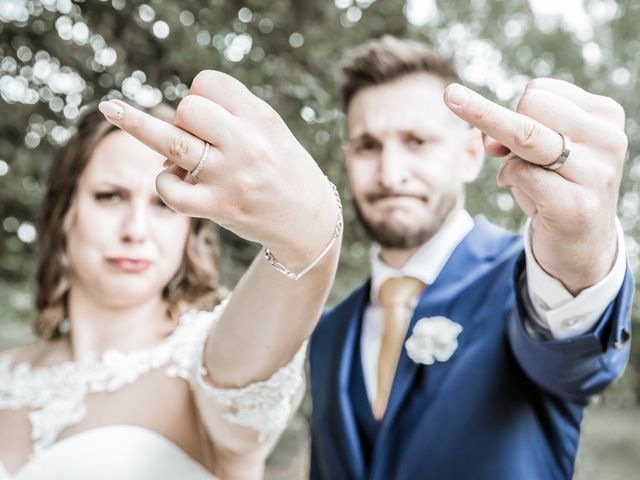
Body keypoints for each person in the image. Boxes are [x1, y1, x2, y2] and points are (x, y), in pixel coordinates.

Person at [309, 36, 633, 480]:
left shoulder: (528, 281)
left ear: (468, 155)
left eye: (417, 140)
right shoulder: (327, 331)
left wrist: (582, 249)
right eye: (368, 145)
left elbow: (576, 358)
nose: (390, 172)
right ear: (348, 160)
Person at [0, 70, 342, 480]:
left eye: (162, 205)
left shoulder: (206, 364)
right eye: (110, 196)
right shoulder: (6, 372)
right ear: (65, 213)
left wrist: (309, 227)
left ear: (189, 228)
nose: (135, 230)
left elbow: (295, 267)